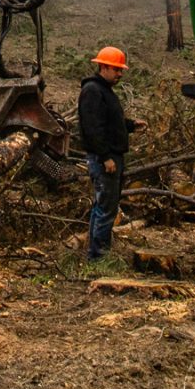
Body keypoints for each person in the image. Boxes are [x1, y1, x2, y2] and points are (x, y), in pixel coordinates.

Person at [77, 45, 137, 260]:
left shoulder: (104, 90)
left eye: (121, 70)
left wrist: (130, 125)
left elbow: (109, 121)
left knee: (102, 206)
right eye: (116, 69)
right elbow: (93, 128)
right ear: (103, 67)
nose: (120, 74)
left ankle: (95, 255)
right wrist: (105, 157)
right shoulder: (93, 91)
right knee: (106, 209)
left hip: (110, 156)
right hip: (105, 158)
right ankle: (99, 257)